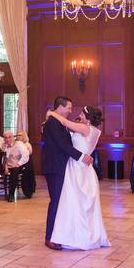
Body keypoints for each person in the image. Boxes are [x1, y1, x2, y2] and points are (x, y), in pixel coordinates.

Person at [44, 106, 109, 251]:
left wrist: (52, 113)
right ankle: (75, 234)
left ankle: (79, 236)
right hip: (82, 168)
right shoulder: (93, 130)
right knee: (77, 204)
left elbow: (65, 123)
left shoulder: (85, 129)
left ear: (88, 117)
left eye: (81, 113)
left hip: (78, 169)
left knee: (76, 203)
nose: (78, 114)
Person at [42, 96, 91, 251]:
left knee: (61, 201)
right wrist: (82, 157)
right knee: (55, 201)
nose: (70, 111)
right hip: (55, 167)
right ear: (60, 107)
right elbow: (63, 146)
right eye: (69, 108)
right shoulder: (52, 123)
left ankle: (59, 234)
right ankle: (49, 237)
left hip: (62, 166)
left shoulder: (59, 122)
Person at [2, 131, 30, 201]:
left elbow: (26, 155)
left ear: (13, 137)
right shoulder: (4, 145)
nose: (7, 139)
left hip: (18, 165)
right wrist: (5, 167)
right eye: (5, 138)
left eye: (9, 137)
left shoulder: (19, 144)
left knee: (14, 172)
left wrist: (18, 164)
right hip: (7, 166)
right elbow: (4, 158)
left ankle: (11, 194)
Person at [16, 130, 36, 197]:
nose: (18, 137)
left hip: (27, 163)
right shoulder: (17, 144)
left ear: (24, 136)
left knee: (27, 172)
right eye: (17, 135)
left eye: (20, 135)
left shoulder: (27, 144)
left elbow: (28, 155)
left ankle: (28, 191)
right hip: (19, 162)